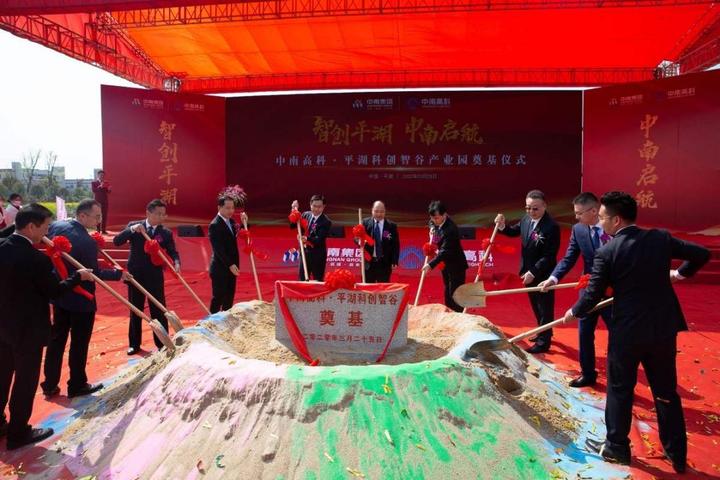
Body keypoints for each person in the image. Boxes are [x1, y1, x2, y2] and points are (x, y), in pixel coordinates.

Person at [564, 191, 709, 473]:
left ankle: (616, 447)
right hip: (662, 329)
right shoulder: (659, 239)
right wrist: (680, 274)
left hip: (628, 332)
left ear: (616, 220)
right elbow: (701, 254)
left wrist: (574, 311)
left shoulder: (608, 252)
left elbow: (592, 294)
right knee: (666, 391)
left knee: (620, 389)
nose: (600, 223)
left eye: (603, 218)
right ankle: (677, 453)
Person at [0, 204, 93, 450]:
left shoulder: (2, 247)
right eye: (45, 227)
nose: (48, 233)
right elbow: (54, 291)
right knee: (25, 380)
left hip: (4, 325)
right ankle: (18, 432)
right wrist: (78, 276)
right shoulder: (36, 259)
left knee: (2, 375)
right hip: (28, 330)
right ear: (31, 227)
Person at [40, 199, 129, 399]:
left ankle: (49, 384)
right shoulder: (85, 241)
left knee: (57, 340)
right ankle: (77, 384)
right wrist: (118, 274)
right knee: (79, 343)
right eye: (96, 216)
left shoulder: (56, 227)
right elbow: (93, 273)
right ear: (82, 215)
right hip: (81, 300)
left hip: (60, 293)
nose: (99, 220)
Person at [538, 192, 612, 387]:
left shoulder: (613, 228)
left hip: (613, 292)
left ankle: (617, 375)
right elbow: (569, 258)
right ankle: (587, 374)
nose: (576, 217)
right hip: (588, 291)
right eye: (575, 213)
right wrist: (553, 278)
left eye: (579, 213)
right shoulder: (578, 230)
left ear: (594, 211)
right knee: (584, 332)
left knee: (617, 334)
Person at [495, 189, 560, 353]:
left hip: (543, 273)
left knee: (545, 307)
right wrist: (502, 226)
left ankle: (544, 342)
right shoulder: (526, 219)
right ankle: (542, 331)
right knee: (536, 305)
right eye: (528, 208)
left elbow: (549, 256)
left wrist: (534, 272)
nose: (531, 211)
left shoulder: (551, 227)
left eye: (535, 208)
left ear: (544, 206)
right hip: (527, 271)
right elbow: (513, 231)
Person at [113, 199, 180, 355]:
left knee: (158, 309)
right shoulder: (135, 226)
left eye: (163, 214)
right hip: (135, 275)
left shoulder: (165, 233)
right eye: (158, 214)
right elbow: (117, 241)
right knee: (136, 309)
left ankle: (162, 343)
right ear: (148, 213)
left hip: (155, 275)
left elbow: (172, 251)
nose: (161, 217)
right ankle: (134, 344)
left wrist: (176, 263)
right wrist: (131, 230)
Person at [422, 201, 468, 312]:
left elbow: (444, 251)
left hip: (456, 264)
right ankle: (449, 312)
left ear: (444, 215)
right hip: (445, 264)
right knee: (447, 289)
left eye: (436, 218)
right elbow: (431, 222)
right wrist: (432, 228)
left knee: (455, 292)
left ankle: (458, 315)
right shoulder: (435, 221)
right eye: (432, 218)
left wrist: (430, 265)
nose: (434, 220)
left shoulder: (451, 229)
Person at [208, 195, 247, 313]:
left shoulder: (231, 221)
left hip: (232, 267)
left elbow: (238, 235)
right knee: (218, 297)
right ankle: (212, 320)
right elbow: (218, 249)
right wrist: (230, 264)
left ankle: (226, 319)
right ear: (219, 208)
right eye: (227, 208)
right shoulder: (214, 225)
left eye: (232, 208)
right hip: (220, 268)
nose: (231, 211)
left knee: (229, 297)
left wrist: (244, 222)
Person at [290, 195, 331, 281]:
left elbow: (318, 240)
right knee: (302, 279)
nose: (316, 209)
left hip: (317, 255)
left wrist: (306, 239)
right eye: (314, 206)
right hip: (304, 252)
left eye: (319, 207)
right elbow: (292, 226)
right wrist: (293, 210)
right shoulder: (306, 215)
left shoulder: (326, 222)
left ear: (323, 207)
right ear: (310, 205)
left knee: (318, 280)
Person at [357, 201, 400, 283]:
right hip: (368, 263)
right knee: (368, 287)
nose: (379, 214)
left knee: (383, 288)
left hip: (384, 263)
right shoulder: (365, 223)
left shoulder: (391, 226)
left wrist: (394, 261)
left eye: (381, 212)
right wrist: (360, 241)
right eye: (376, 211)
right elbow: (356, 237)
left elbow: (395, 244)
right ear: (372, 210)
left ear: (385, 211)